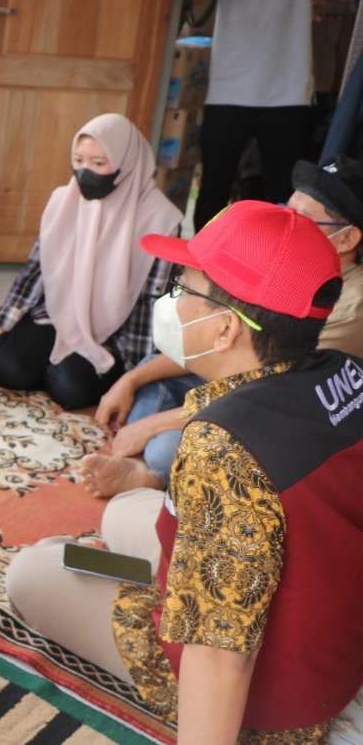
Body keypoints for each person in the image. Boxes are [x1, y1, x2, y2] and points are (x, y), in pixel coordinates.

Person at [6, 200, 363, 742]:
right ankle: (105, 567)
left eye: (184, 287)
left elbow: (220, 658)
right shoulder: (340, 371)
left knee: (33, 572)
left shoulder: (222, 448)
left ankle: (80, 569)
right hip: (328, 628)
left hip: (278, 694)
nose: (170, 301)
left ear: (225, 332)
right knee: (127, 512)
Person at [84, 153, 363, 497]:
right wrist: (129, 380)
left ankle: (154, 473)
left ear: (347, 240)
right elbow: (209, 336)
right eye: (285, 209)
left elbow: (272, 394)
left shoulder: (344, 306)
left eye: (302, 219)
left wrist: (154, 425)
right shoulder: (280, 269)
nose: (285, 222)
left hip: (262, 402)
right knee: (150, 373)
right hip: (237, 371)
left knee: (171, 444)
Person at [0, 114, 181, 409]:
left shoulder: (160, 220)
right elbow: (34, 274)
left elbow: (151, 307)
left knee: (70, 387)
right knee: (8, 368)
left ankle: (66, 368)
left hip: (117, 332)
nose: (85, 172)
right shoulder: (63, 202)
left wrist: (132, 375)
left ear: (129, 162)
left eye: (99, 164)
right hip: (58, 315)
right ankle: (53, 359)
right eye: (79, 161)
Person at [179, 0, 345, 231]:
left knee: (283, 194)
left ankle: (272, 271)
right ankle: (202, 268)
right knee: (214, 187)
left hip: (287, 93)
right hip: (228, 91)